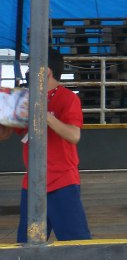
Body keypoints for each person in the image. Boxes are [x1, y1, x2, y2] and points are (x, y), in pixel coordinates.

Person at [0, 48, 89, 243]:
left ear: (46, 71)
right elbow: (4, 134)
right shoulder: (23, 98)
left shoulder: (68, 98)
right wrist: (4, 112)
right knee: (26, 244)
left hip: (63, 181)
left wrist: (45, 116)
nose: (27, 73)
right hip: (32, 183)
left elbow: (74, 135)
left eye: (31, 68)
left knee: (77, 244)